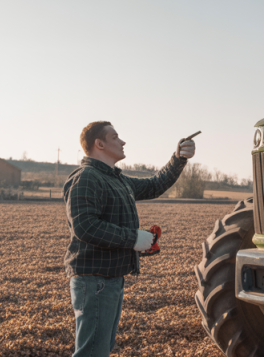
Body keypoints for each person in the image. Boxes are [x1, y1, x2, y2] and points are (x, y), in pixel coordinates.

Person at [63, 121, 195, 357]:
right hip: (94, 281)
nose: (122, 141)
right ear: (99, 144)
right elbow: (85, 226)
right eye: (115, 137)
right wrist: (133, 238)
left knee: (99, 350)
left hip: (109, 280)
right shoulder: (86, 177)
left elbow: (155, 185)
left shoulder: (117, 179)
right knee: (92, 352)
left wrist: (178, 159)